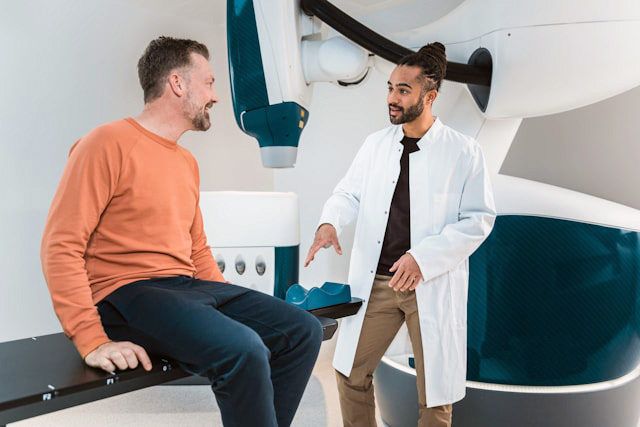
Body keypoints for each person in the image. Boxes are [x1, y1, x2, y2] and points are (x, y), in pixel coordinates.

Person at [41, 36, 322, 427]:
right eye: (208, 82)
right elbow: (61, 245)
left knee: (303, 330)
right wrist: (91, 339)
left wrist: (226, 304)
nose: (216, 97)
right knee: (243, 350)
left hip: (187, 287)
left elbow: (198, 249)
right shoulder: (105, 143)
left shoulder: (186, 162)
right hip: (126, 293)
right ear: (177, 83)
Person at [305, 42, 496, 426]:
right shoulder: (375, 145)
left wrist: (423, 258)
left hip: (429, 281)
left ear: (430, 96)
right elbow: (348, 193)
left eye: (403, 90)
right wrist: (330, 222)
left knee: (435, 396)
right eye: (390, 88)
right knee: (350, 372)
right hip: (379, 281)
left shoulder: (464, 152)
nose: (392, 98)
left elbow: (479, 219)